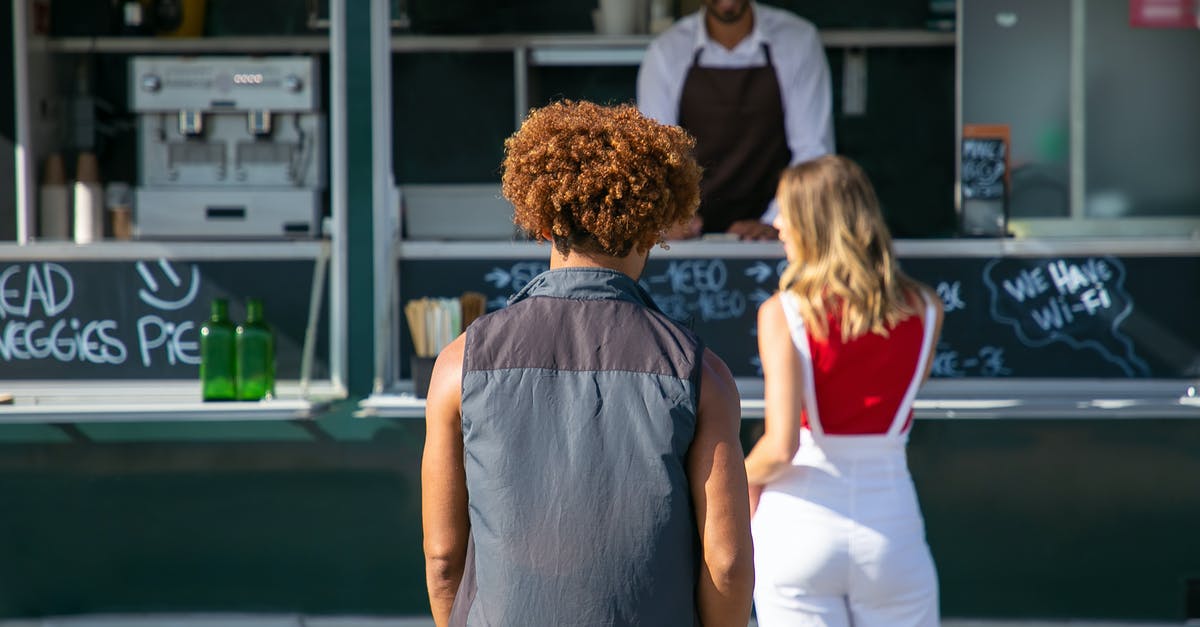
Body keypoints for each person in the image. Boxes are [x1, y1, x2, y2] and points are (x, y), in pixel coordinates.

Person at [421, 100, 754, 627]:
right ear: (655, 228)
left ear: (540, 225)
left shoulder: (458, 365)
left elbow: (443, 560)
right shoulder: (702, 373)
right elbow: (728, 564)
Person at [744, 155, 944, 627]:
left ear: (814, 223)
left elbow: (781, 447)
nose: (779, 227)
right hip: (892, 531)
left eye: (787, 213)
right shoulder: (928, 308)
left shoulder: (784, 312)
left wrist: (731, 482)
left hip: (798, 529)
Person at [637, 0, 834, 241]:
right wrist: (672, 216)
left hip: (777, 235)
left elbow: (813, 154)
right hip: (690, 237)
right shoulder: (666, 51)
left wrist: (776, 221)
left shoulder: (798, 41)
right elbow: (655, 155)